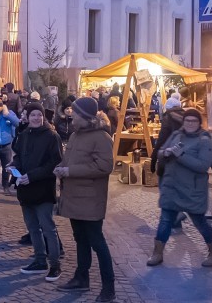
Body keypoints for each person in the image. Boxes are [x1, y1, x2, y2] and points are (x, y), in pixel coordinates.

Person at [54, 97, 117, 302]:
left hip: (90, 199)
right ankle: (81, 277)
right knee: (79, 238)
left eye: (76, 113)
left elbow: (105, 167)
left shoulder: (102, 137)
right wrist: (61, 167)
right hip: (73, 196)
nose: (72, 115)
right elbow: (69, 159)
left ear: (87, 117)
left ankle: (109, 288)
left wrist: (70, 171)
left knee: (97, 242)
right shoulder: (75, 135)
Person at [147, 108, 212, 268]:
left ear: (199, 123)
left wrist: (181, 155)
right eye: (187, 120)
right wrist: (166, 152)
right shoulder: (177, 135)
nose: (189, 123)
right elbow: (161, 151)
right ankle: (157, 253)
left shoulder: (204, 140)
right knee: (165, 220)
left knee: (199, 221)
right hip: (172, 188)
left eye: (193, 121)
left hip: (192, 190)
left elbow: (203, 166)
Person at [11, 105, 65, 282]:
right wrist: (15, 167)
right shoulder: (24, 135)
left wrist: (32, 176)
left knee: (48, 227)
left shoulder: (52, 136)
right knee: (32, 227)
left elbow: (54, 163)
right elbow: (18, 155)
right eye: (33, 114)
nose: (36, 118)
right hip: (25, 188)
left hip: (42, 188)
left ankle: (55, 265)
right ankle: (40, 260)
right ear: (26, 116)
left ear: (43, 117)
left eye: (39, 115)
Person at [151, 94, 185, 176]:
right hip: (185, 152)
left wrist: (154, 158)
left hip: (170, 152)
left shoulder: (168, 117)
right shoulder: (187, 116)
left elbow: (162, 139)